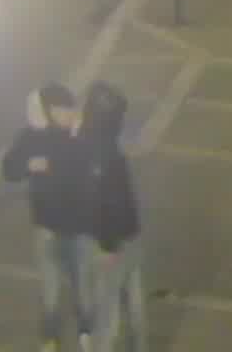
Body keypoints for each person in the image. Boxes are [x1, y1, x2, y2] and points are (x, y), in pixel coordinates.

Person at [0, 82, 94, 352]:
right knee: (50, 292)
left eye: (70, 109)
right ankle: (50, 339)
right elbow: (9, 169)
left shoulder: (82, 135)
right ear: (49, 111)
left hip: (79, 227)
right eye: (63, 110)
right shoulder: (32, 137)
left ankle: (86, 333)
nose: (69, 115)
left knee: (83, 288)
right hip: (47, 227)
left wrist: (77, 138)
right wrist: (28, 164)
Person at [81, 83, 147, 352]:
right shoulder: (102, 153)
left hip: (123, 237)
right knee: (111, 313)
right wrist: (108, 245)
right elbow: (99, 200)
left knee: (128, 306)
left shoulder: (92, 145)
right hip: (114, 242)